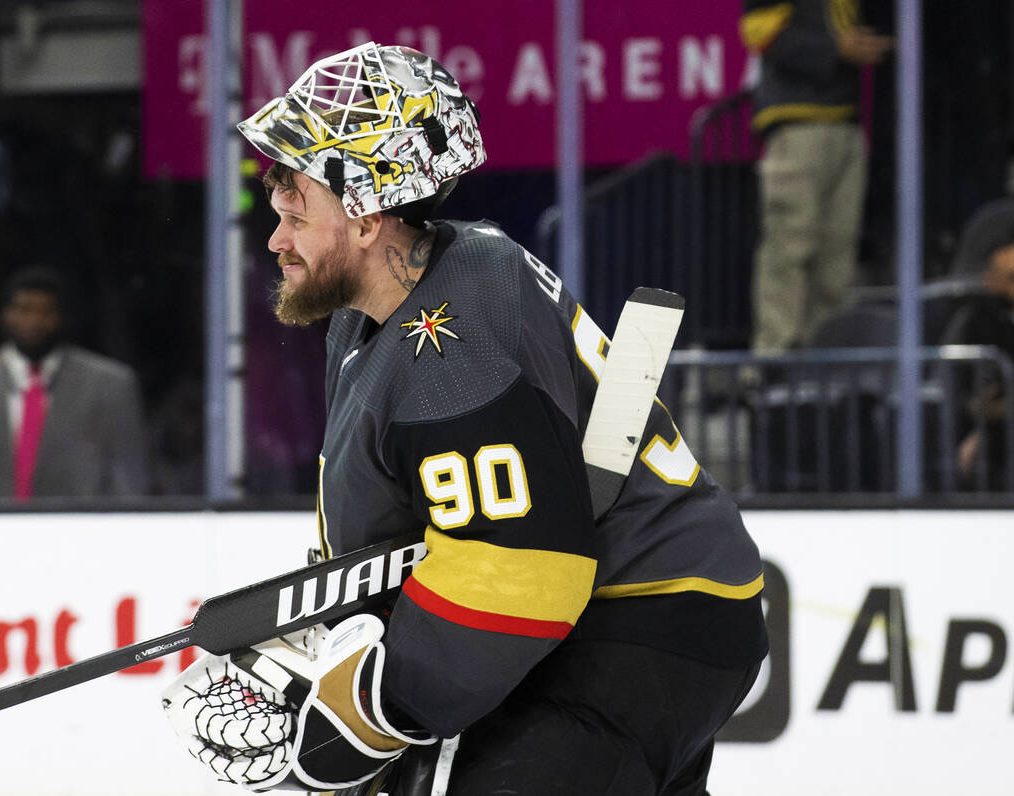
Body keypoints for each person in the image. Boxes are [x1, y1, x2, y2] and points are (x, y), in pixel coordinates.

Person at [162, 43, 767, 794]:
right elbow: (427, 534)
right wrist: (319, 647)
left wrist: (363, 713)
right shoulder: (392, 307)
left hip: (639, 619)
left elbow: (520, 572)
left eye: (297, 211)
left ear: (365, 216)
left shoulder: (454, 344)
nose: (276, 238)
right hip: (628, 619)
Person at [740, 0, 893, 353]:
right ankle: (774, 364)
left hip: (847, 121)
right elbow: (759, 31)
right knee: (790, 247)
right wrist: (834, 47)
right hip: (797, 122)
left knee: (837, 255)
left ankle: (827, 362)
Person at [0, 265, 148, 500]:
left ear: (61, 316)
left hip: (80, 532)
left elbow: (129, 483)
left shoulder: (110, 387)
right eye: (23, 310)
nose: (34, 322)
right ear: (5, 314)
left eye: (45, 311)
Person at [941, 236, 1014, 488]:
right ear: (990, 280)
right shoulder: (978, 323)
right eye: (1011, 277)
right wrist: (980, 427)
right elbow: (977, 402)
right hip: (996, 432)